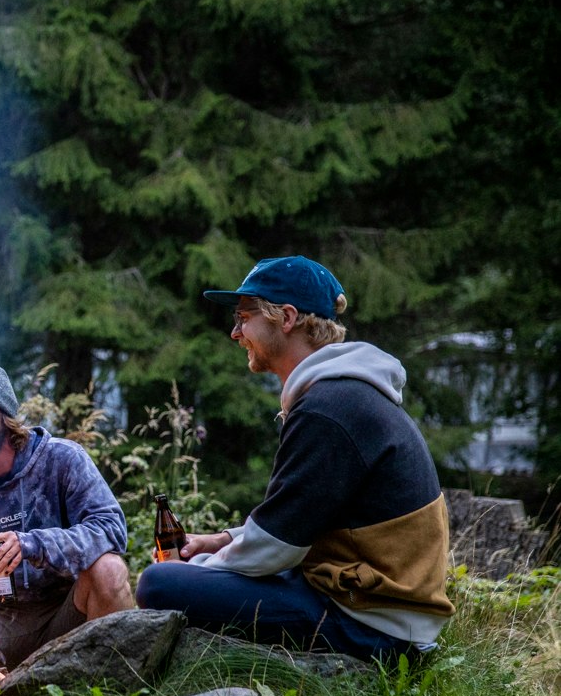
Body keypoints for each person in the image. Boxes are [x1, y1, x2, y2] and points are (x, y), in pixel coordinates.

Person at [135, 255, 453, 660]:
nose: (235, 333)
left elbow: (275, 549)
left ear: (286, 318)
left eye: (243, 317)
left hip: (375, 627)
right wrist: (222, 540)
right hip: (371, 601)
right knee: (180, 578)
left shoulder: (329, 408)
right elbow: (299, 520)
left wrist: (196, 571)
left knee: (159, 584)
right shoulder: (343, 396)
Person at [0, 364, 133, 668]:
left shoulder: (62, 460)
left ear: (4, 411)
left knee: (109, 569)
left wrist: (35, 545)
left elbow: (111, 529)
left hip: (69, 618)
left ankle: (110, 693)